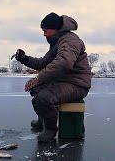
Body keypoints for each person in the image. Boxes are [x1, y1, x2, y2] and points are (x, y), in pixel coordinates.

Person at [15, 12, 91, 142]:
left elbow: (64, 63)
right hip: (64, 81)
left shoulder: (70, 40)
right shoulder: (57, 42)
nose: (44, 34)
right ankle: (43, 120)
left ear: (55, 29)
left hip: (77, 84)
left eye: (45, 31)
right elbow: (43, 63)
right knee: (36, 90)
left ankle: (50, 130)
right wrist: (24, 58)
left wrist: (38, 78)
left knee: (44, 98)